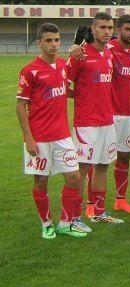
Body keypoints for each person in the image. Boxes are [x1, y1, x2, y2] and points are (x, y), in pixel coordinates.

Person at [17, 23, 87, 239]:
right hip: (39, 137)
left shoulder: (63, 67)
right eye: (48, 40)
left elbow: (64, 91)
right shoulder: (30, 70)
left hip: (62, 136)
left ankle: (65, 223)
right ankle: (46, 223)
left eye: (56, 40)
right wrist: (29, 138)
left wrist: (85, 94)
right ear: (39, 43)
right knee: (41, 181)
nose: (54, 44)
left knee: (74, 177)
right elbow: (20, 105)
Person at [66, 12, 122, 225]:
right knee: (82, 169)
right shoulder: (79, 55)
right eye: (102, 27)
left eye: (109, 27)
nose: (107, 31)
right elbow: (64, 86)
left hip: (107, 120)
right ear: (93, 29)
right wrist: (79, 95)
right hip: (86, 122)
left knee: (103, 166)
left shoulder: (109, 53)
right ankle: (74, 216)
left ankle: (99, 212)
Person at [108, 14, 130, 214]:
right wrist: (78, 45)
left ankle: (120, 200)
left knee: (124, 157)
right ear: (118, 30)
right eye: (128, 29)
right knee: (100, 161)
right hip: (108, 114)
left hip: (127, 113)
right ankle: (93, 205)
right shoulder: (109, 48)